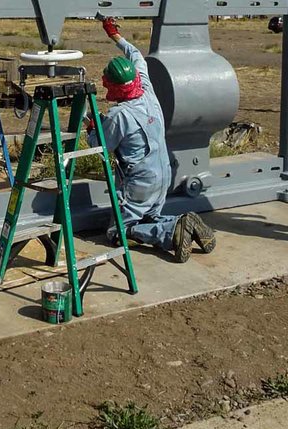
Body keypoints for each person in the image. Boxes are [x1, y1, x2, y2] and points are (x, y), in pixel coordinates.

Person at [87, 16, 216, 263]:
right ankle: (183, 222)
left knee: (118, 233)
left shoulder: (119, 115)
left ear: (111, 87)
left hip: (140, 184)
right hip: (164, 176)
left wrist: (92, 125)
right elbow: (135, 53)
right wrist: (114, 35)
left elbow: (99, 146)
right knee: (147, 217)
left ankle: (173, 231)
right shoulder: (147, 90)